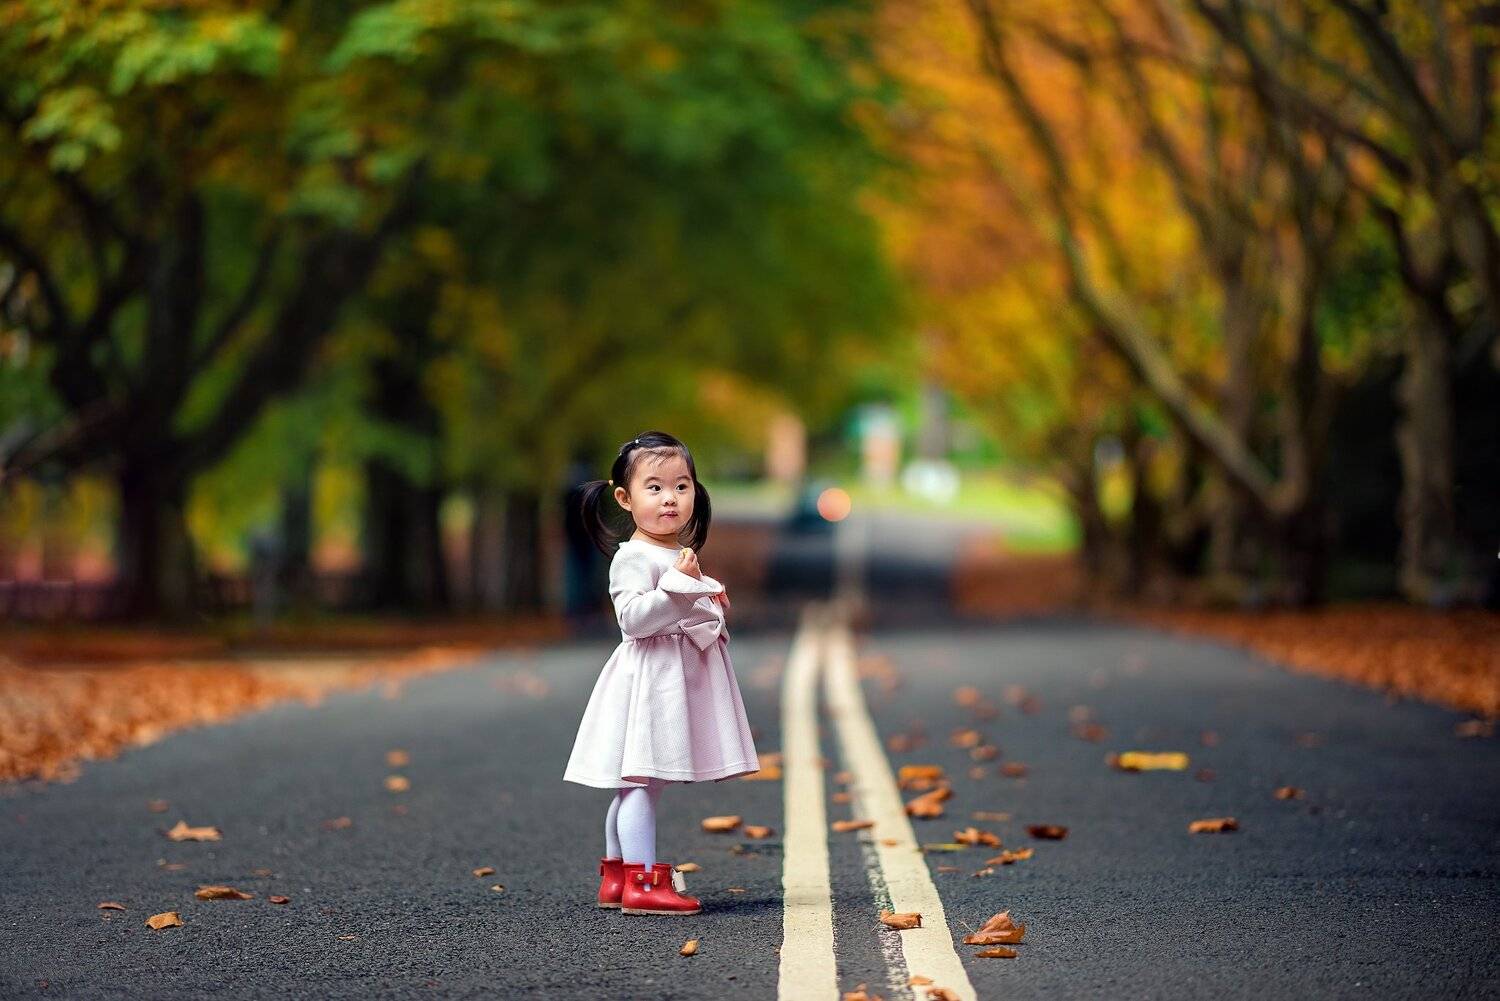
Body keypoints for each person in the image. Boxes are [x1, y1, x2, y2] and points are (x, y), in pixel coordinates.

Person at [562, 431, 759, 916]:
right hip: (651, 681)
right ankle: (643, 882)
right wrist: (682, 589)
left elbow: (680, 610)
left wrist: (705, 601)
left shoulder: (675, 556)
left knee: (639, 784)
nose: (670, 498)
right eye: (655, 487)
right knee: (641, 782)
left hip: (673, 680)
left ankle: (617, 875)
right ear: (625, 499)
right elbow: (633, 619)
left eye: (681, 485)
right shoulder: (633, 556)